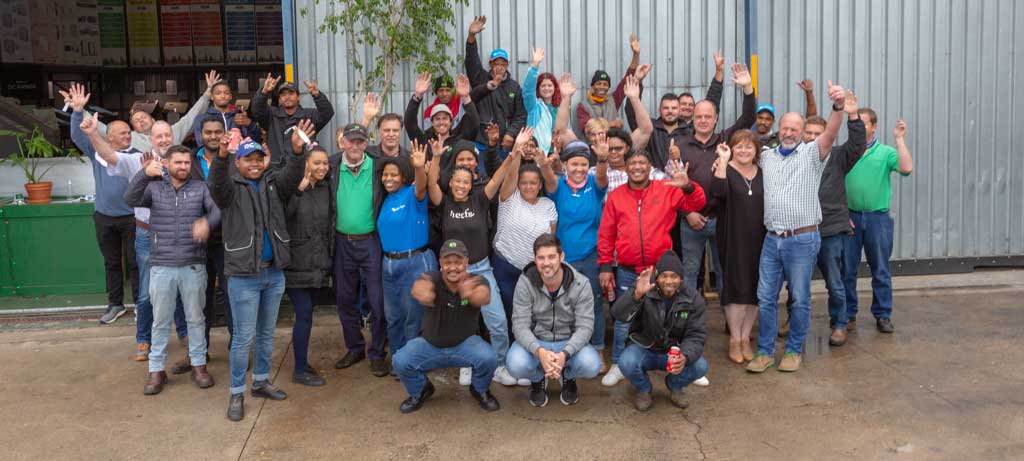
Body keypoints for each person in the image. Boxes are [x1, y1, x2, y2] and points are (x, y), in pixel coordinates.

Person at [746, 80, 848, 374]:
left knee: (800, 298)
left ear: (803, 132)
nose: (789, 132)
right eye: (785, 128)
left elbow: (831, 131)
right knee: (765, 297)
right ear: (779, 129)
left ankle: (793, 350)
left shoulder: (813, 154)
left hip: (802, 240)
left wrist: (838, 106)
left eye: (795, 128)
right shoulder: (766, 157)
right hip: (771, 239)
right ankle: (765, 352)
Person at [209, 131, 306, 421]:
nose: (253, 163)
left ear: (264, 161)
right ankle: (236, 392)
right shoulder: (230, 189)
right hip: (243, 277)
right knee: (243, 338)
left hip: (273, 274)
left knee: (266, 334)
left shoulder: (273, 184)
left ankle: (261, 381)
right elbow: (216, 183)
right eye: (247, 159)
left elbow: (292, 174)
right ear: (238, 163)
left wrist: (297, 153)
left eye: (257, 158)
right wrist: (222, 156)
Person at [80, 113, 190, 363]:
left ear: (173, 138)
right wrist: (93, 133)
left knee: (182, 287)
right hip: (146, 233)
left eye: (167, 135)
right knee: (146, 292)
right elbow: (109, 156)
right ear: (150, 139)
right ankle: (144, 339)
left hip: (177, 235)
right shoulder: (136, 160)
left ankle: (184, 333)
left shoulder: (183, 163)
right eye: (159, 136)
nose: (163, 139)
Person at [597, 150, 706, 386]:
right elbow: (606, 233)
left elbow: (698, 202)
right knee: (624, 317)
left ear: (649, 168)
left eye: (642, 163)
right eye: (632, 163)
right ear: (625, 168)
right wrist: (606, 265)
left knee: (673, 313)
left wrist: (687, 186)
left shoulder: (665, 189)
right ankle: (618, 363)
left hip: (662, 271)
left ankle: (686, 361)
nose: (637, 167)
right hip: (628, 268)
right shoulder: (616, 196)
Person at [124, 145, 220, 395]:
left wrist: (207, 223)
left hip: (192, 264)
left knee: (196, 319)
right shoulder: (154, 187)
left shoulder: (200, 188)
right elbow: (129, 199)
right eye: (177, 162)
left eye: (187, 163)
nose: (183, 167)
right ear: (166, 163)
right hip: (162, 266)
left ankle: (199, 365)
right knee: (161, 322)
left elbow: (217, 210)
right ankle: (156, 370)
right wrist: (144, 173)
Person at [427, 138, 520, 386]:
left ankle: (500, 365)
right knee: (461, 325)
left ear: (471, 184)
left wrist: (512, 155)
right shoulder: (444, 203)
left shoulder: (479, 200)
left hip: (481, 271)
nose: (460, 185)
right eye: (457, 181)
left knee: (498, 322)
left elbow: (497, 179)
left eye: (465, 182)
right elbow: (431, 184)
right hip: (455, 276)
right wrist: (436, 157)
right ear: (451, 183)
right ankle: (465, 364)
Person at [63, 83, 140, 328]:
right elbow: (77, 135)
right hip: (105, 217)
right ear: (109, 136)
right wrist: (77, 112)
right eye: (122, 133)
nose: (127, 136)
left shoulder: (136, 154)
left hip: (132, 218)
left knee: (136, 262)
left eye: (129, 132)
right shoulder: (97, 151)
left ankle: (141, 304)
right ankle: (115, 304)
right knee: (112, 263)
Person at [392, 239, 501, 414]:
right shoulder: (430, 278)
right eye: (448, 262)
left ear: (466, 262)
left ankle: (480, 390)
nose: (453, 267)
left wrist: (470, 294)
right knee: (400, 360)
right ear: (440, 263)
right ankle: (420, 390)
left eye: (458, 262)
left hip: (465, 346)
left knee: (490, 358)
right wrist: (423, 292)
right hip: (430, 347)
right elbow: (420, 286)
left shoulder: (476, 281)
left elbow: (484, 296)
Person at [677, 63, 756, 300]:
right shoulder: (680, 146)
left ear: (716, 119)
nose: (702, 120)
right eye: (698, 116)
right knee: (689, 272)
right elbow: (671, 187)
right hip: (691, 221)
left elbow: (749, 117)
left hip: (723, 219)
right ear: (693, 118)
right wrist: (686, 213)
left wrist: (748, 89)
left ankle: (729, 319)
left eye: (707, 117)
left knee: (724, 271)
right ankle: (688, 322)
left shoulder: (726, 139)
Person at [799, 92, 867, 346]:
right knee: (797, 283)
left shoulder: (839, 156)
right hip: (802, 230)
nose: (813, 138)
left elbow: (858, 145)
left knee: (835, 282)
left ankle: (839, 323)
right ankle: (794, 321)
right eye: (809, 133)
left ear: (827, 134)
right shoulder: (795, 158)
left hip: (830, 230)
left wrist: (852, 116)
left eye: (819, 133)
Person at [508, 234, 602, 407]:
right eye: (541, 258)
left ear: (562, 257)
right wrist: (540, 352)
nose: (546, 263)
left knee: (592, 365)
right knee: (515, 364)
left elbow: (585, 327)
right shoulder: (525, 281)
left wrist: (564, 355)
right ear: (535, 260)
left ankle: (568, 377)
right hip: (537, 341)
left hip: (567, 342)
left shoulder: (581, 283)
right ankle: (537, 380)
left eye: (551, 256)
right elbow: (520, 325)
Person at [843, 110, 914, 334]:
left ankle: (883, 314)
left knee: (880, 269)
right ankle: (848, 312)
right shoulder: (846, 152)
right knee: (847, 269)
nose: (859, 128)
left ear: (874, 127)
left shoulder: (885, 153)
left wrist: (900, 140)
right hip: (850, 217)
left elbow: (906, 168)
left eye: (863, 124)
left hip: (877, 219)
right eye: (855, 124)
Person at [611, 251, 708, 411]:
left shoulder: (693, 298)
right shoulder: (644, 288)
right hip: (646, 348)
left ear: (681, 279)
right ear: (657, 277)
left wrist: (685, 355)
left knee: (700, 366)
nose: (668, 281)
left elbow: (696, 335)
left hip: (674, 353)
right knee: (626, 361)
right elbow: (618, 314)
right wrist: (636, 295)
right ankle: (643, 389)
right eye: (664, 276)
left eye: (674, 276)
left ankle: (675, 385)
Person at [329, 123, 389, 377]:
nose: (355, 146)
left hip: (371, 241)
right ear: (342, 142)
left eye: (360, 142)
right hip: (342, 241)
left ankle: (377, 352)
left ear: (366, 144)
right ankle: (354, 347)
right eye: (350, 141)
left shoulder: (377, 167)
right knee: (344, 299)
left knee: (377, 301)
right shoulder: (331, 167)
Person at [538, 139, 609, 357]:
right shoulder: (558, 186)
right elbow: (549, 179)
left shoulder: (594, 185)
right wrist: (543, 164)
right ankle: (566, 349)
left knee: (594, 304)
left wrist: (603, 158)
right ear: (566, 165)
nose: (578, 169)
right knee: (564, 305)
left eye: (583, 164)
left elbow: (602, 177)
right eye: (574, 164)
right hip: (564, 259)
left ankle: (597, 348)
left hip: (591, 256)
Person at [491, 128, 558, 350]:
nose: (528, 186)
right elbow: (510, 175)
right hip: (506, 266)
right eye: (524, 182)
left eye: (533, 183)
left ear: (540, 185)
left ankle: (531, 355)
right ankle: (511, 356)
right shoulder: (508, 197)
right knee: (509, 313)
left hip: (534, 271)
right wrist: (517, 151)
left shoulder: (549, 206)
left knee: (531, 315)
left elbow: (551, 240)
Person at [277, 119, 332, 387]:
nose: (321, 167)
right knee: (304, 314)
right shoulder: (291, 188)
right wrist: (298, 190)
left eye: (325, 163)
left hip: (318, 263)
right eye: (316, 163)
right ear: (306, 164)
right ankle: (299, 370)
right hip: (296, 263)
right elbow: (283, 217)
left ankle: (302, 361)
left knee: (307, 315)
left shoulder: (326, 189)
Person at [710, 130, 765, 363]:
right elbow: (718, 193)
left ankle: (745, 337)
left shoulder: (762, 172)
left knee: (754, 289)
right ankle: (734, 339)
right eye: (739, 146)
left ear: (756, 150)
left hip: (760, 238)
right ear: (731, 148)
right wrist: (722, 161)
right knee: (736, 288)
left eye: (748, 147)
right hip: (732, 237)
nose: (744, 151)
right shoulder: (724, 169)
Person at [378, 140, 437, 355]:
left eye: (393, 175)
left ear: (403, 176)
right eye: (385, 175)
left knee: (413, 319)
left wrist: (420, 167)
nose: (389, 179)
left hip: (414, 263)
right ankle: (398, 360)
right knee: (393, 317)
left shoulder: (413, 195)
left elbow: (422, 186)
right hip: (388, 265)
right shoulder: (386, 200)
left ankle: (412, 362)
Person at [626, 50, 725, 170]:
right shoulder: (649, 128)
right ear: (659, 110)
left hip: (682, 183)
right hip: (654, 184)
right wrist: (638, 81)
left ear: (679, 111)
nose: (670, 111)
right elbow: (632, 110)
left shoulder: (691, 130)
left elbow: (711, 105)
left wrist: (719, 73)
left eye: (674, 108)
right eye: (666, 108)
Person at [464, 15, 527, 154]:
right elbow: (471, 61)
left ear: (507, 65)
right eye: (496, 63)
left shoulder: (514, 87)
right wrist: (471, 37)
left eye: (502, 64)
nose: (499, 67)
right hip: (481, 142)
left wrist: (510, 134)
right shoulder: (480, 79)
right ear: (490, 64)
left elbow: (520, 115)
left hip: (504, 144)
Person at [251, 74, 335, 168]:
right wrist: (264, 92)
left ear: (298, 97)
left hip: (303, 169)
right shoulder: (271, 115)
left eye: (291, 93)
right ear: (279, 99)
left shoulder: (309, 115)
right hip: (277, 170)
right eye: (283, 95)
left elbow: (327, 113)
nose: (287, 97)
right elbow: (256, 109)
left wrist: (317, 95)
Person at [556, 73, 653, 152]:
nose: (599, 139)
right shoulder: (582, 153)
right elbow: (561, 131)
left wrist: (635, 99)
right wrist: (566, 98)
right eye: (594, 135)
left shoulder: (622, 150)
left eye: (602, 134)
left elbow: (645, 130)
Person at [575, 34, 643, 130]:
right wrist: (611, 124)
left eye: (605, 84)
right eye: (599, 84)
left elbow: (628, 77)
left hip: (614, 143)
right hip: (594, 144)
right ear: (593, 86)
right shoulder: (583, 106)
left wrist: (636, 54)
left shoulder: (613, 99)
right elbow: (586, 128)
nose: (602, 87)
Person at [191, 79, 261, 145]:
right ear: (212, 97)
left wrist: (249, 123)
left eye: (226, 93)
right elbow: (201, 144)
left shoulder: (239, 117)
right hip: (214, 157)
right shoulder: (201, 119)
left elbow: (254, 142)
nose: (222, 96)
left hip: (237, 157)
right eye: (218, 93)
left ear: (230, 96)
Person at [521, 46, 561, 154]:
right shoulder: (534, 107)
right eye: (543, 86)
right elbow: (528, 90)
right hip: (536, 154)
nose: (547, 88)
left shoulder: (559, 109)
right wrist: (534, 65)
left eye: (549, 85)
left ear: (555, 87)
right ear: (538, 88)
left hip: (556, 154)